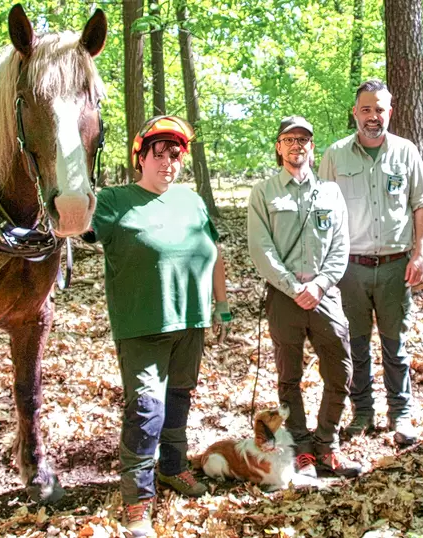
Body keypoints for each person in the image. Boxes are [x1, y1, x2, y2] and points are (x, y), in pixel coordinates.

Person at [88, 116, 231, 537]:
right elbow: (76, 224)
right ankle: (137, 499)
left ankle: (172, 467)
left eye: (175, 154)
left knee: (179, 398)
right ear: (140, 158)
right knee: (146, 409)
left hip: (190, 321)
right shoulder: (114, 200)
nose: (167, 162)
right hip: (141, 324)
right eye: (159, 153)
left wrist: (221, 306)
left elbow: (215, 252)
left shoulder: (192, 201)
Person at [318, 80, 423, 446]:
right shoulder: (335, 155)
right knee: (356, 344)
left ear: (390, 112)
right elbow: (321, 213)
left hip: (396, 264)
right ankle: (362, 412)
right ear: (355, 112)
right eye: (366, 109)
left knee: (394, 344)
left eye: (380, 109)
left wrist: (420, 253)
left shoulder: (406, 151)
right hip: (348, 266)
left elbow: (422, 204)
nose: (373, 116)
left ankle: (400, 414)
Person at [247, 116, 362, 478]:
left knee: (340, 369)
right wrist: (294, 287)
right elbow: (261, 248)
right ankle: (300, 449)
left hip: (324, 295)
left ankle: (327, 443)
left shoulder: (329, 192)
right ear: (279, 147)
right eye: (289, 139)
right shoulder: (264, 193)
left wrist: (320, 284)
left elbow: (341, 246)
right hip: (284, 298)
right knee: (288, 376)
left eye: (305, 140)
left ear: (313, 148)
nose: (298, 145)